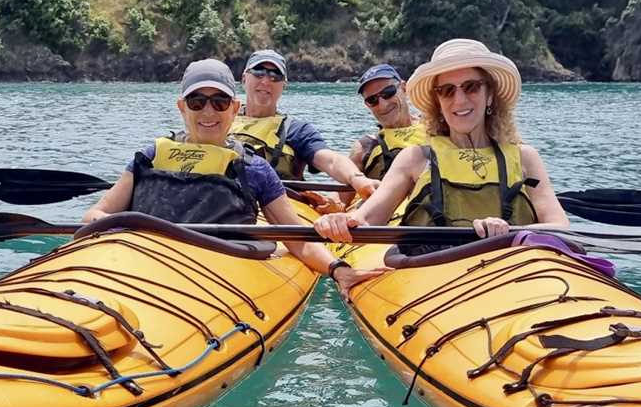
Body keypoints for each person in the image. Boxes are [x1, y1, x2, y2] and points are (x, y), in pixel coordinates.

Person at [83, 58, 390, 296]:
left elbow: (297, 240)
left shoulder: (254, 168)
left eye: (219, 102)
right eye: (197, 102)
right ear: (181, 107)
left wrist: (338, 269)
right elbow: (97, 213)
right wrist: (120, 236)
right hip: (142, 262)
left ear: (234, 109)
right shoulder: (150, 155)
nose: (208, 111)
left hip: (217, 271)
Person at [314, 39, 569, 253]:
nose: (459, 100)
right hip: (435, 271)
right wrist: (340, 221)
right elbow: (368, 217)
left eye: (471, 87)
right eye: (447, 90)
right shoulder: (414, 158)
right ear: (437, 100)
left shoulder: (525, 158)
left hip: (514, 273)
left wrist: (510, 231)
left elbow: (560, 226)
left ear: (490, 94)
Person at [230, 50, 380, 209]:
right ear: (244, 78)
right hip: (223, 198)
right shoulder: (219, 119)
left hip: (273, 206)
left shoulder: (296, 130)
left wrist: (356, 178)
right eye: (258, 73)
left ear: (284, 85)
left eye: (275, 76)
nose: (266, 81)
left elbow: (330, 160)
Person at [340, 64, 426, 206]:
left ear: (404, 88)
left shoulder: (437, 128)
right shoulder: (365, 147)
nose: (382, 104)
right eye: (372, 100)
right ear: (367, 105)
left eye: (388, 92)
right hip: (389, 221)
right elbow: (339, 200)